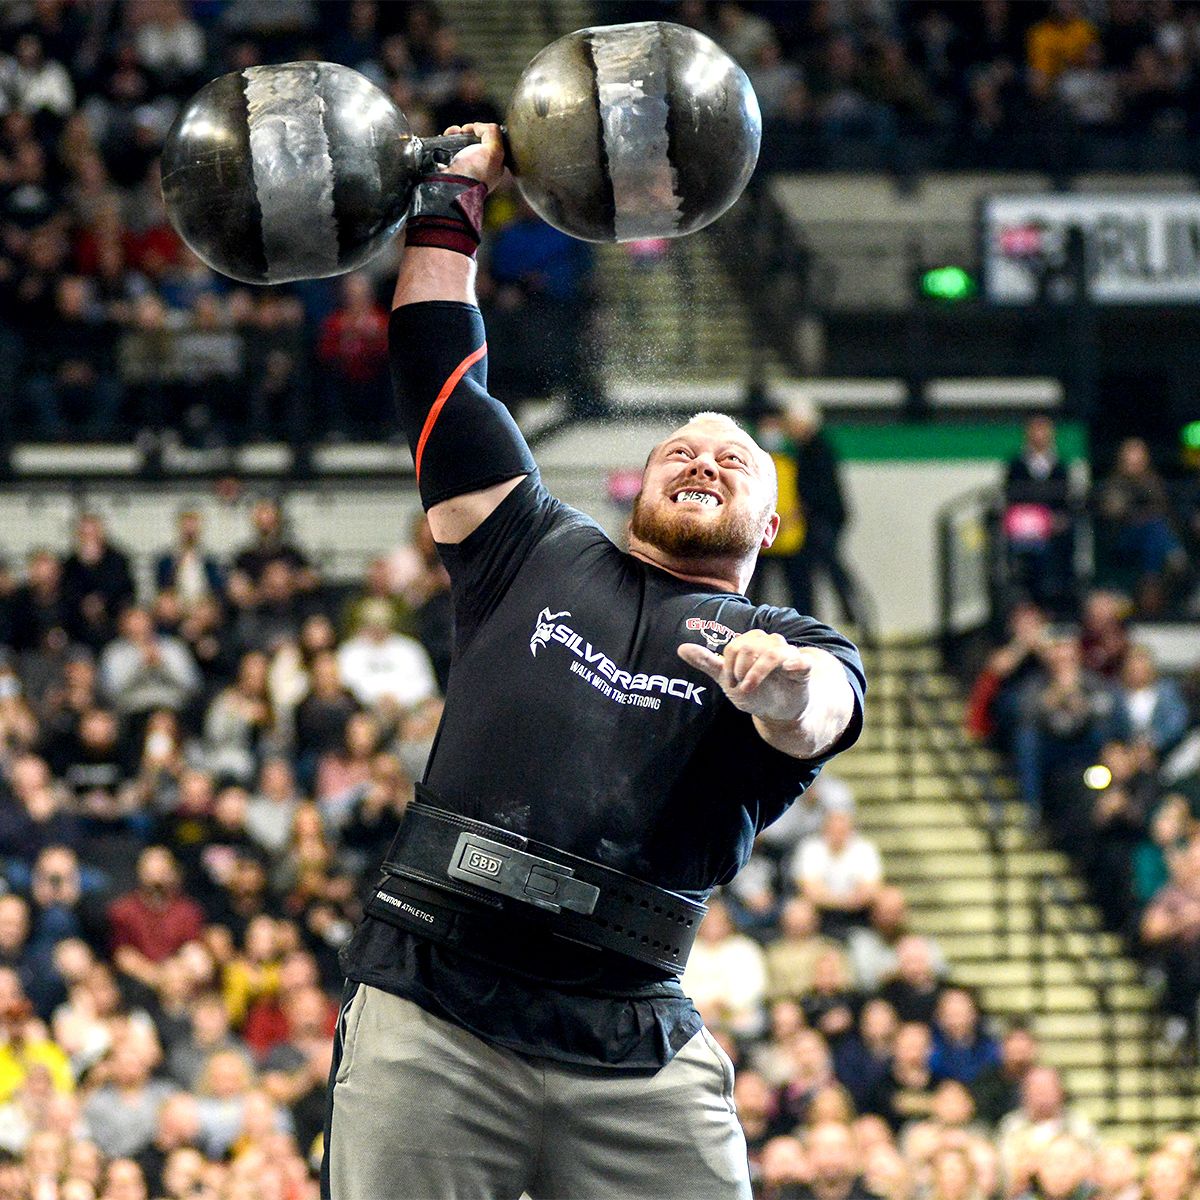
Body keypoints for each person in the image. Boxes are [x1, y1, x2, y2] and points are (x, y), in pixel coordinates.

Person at [323, 123, 865, 1200]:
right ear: (639, 489)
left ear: (770, 522)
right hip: (434, 1009)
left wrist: (783, 687)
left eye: (733, 461)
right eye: (679, 451)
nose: (702, 457)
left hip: (634, 1047)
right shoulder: (529, 542)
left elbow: (821, 712)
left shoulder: (796, 642)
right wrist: (449, 204)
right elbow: (440, 376)